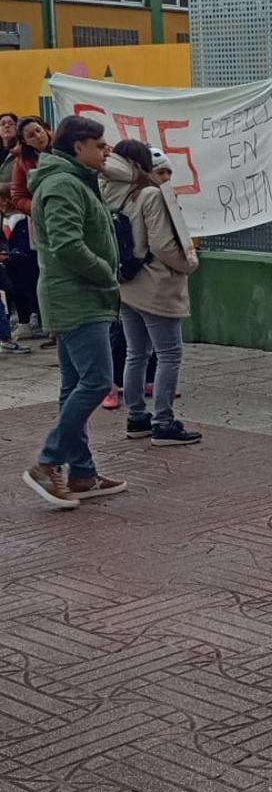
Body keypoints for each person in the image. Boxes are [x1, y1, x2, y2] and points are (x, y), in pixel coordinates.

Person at [22, 116, 126, 508]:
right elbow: (67, 244)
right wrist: (105, 274)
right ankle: (47, 463)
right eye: (99, 145)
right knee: (97, 382)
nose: (106, 151)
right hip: (78, 298)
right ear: (78, 146)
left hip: (77, 295)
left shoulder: (75, 179)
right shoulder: (63, 183)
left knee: (73, 386)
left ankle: (82, 474)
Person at [102, 140, 202, 446]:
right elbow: (162, 245)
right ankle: (163, 422)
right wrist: (189, 264)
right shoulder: (149, 194)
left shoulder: (107, 190)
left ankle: (136, 417)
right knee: (169, 353)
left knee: (136, 352)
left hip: (126, 282)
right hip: (155, 284)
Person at [6, 116, 50, 335]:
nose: (38, 136)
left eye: (39, 130)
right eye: (31, 135)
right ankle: (48, 322)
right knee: (45, 272)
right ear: (24, 142)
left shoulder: (66, 150)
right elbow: (18, 196)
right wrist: (39, 208)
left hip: (74, 217)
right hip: (42, 224)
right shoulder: (22, 161)